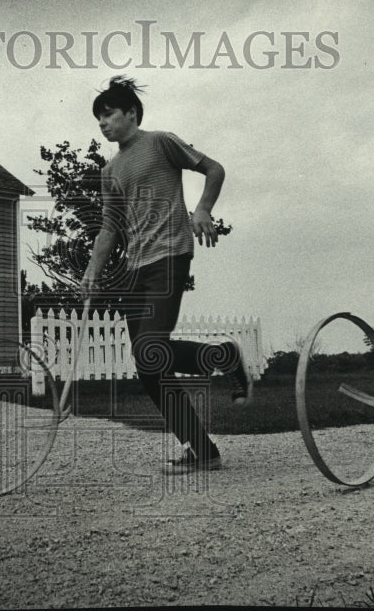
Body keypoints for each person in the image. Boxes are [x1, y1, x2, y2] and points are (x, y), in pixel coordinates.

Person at [79, 76, 251, 475]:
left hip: (169, 255)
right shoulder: (110, 170)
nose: (102, 124)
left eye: (108, 115)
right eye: (98, 118)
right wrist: (92, 272)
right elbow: (109, 226)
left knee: (149, 352)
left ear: (132, 114)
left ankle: (225, 357)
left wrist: (203, 209)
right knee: (148, 366)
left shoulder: (160, 142)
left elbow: (214, 169)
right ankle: (202, 448)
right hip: (133, 269)